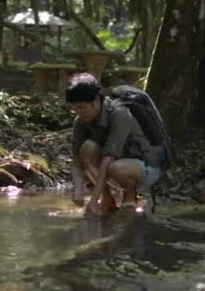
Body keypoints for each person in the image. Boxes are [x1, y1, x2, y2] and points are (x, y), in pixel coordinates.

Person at [66, 73, 165, 215]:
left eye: (82, 108)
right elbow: (76, 160)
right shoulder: (81, 121)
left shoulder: (119, 113)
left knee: (116, 168)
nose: (78, 113)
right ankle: (107, 198)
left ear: (95, 101)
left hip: (146, 166)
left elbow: (108, 158)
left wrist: (93, 199)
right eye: (74, 109)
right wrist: (78, 191)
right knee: (87, 149)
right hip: (116, 165)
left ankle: (130, 196)